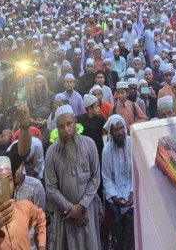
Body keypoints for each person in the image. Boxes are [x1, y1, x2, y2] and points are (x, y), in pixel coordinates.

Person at [45, 110, 102, 250]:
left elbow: (95, 177)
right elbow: (51, 188)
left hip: (87, 211)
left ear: (75, 123)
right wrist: (71, 209)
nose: (66, 129)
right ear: (57, 129)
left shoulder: (89, 144)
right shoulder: (51, 153)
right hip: (66, 215)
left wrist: (81, 206)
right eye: (61, 127)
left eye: (69, 124)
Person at [0, 156, 47, 250]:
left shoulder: (25, 207)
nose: (6, 187)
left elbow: (40, 218)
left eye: (9, 180)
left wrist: (41, 246)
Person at [102, 115, 134, 250]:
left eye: (121, 128)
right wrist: (115, 197)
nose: (120, 132)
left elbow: (136, 174)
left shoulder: (132, 143)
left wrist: (132, 192)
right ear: (111, 132)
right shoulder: (107, 150)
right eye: (116, 130)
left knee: (130, 219)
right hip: (114, 193)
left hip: (132, 191)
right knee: (117, 219)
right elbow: (107, 179)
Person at [76, 94, 106, 163]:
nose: (99, 108)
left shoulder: (100, 118)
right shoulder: (79, 120)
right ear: (90, 109)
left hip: (98, 150)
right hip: (85, 152)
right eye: (97, 106)